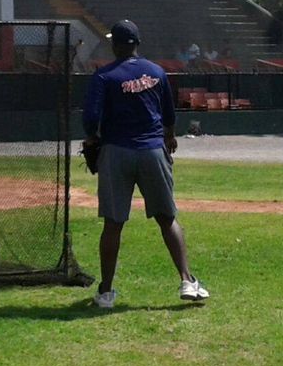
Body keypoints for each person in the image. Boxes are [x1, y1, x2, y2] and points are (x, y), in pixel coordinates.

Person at [82, 19, 208, 308]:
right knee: (167, 218)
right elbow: (169, 114)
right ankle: (187, 281)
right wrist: (169, 136)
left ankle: (106, 293)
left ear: (115, 45)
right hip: (152, 150)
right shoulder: (156, 71)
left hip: (117, 151)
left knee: (113, 223)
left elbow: (91, 118)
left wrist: (93, 138)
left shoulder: (104, 76)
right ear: (137, 43)